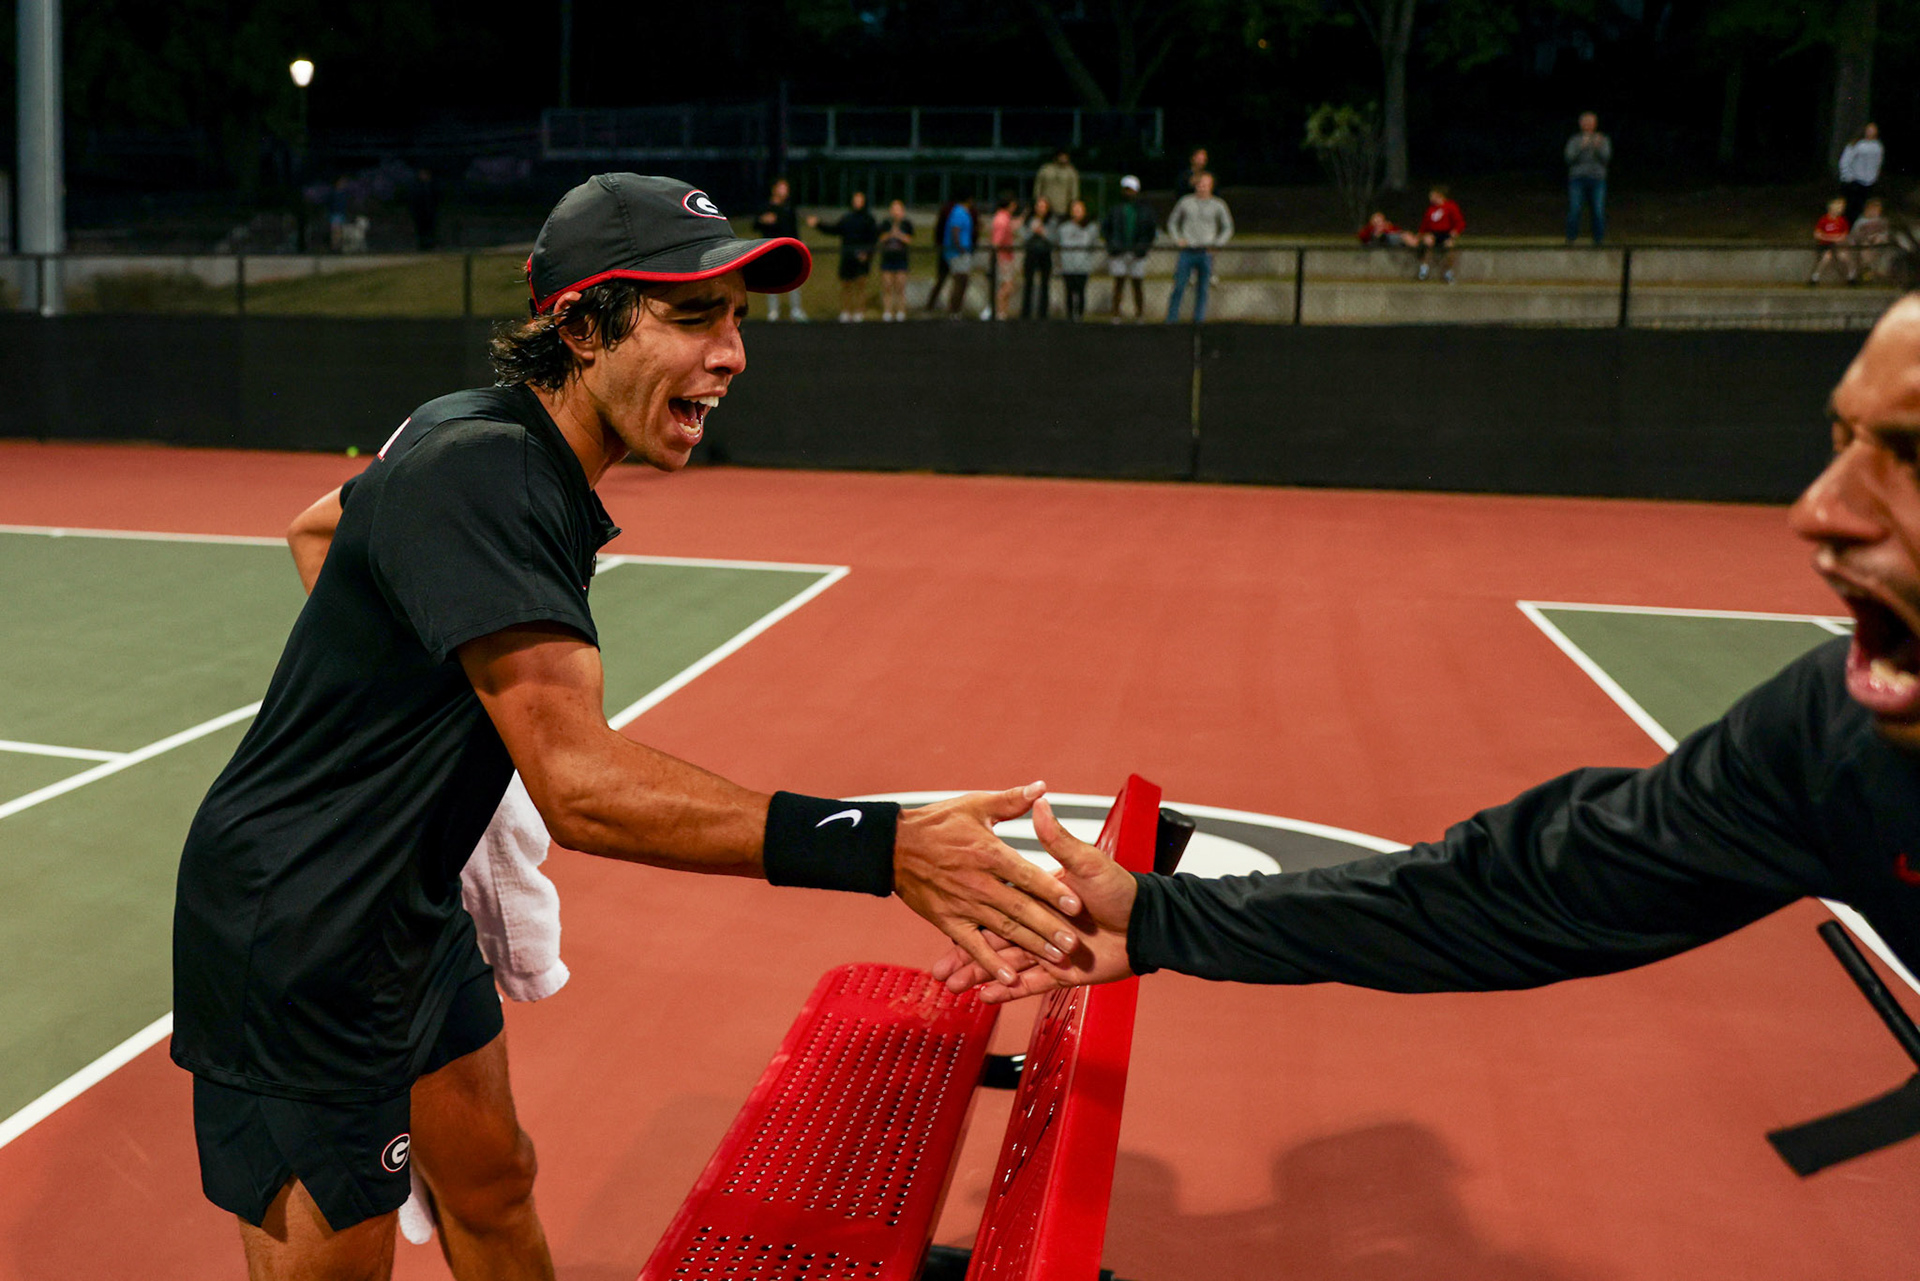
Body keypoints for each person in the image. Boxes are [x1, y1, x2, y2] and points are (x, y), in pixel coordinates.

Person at [171, 173, 1084, 1281]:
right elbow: (581, 783)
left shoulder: (491, 441)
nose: (734, 352)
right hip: (302, 933)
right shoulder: (486, 473)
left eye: (738, 320)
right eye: (694, 316)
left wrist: (419, 721)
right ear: (580, 325)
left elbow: (321, 532)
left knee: (495, 1181)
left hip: (406, 909)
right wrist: (883, 846)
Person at [938, 291, 1920, 1042]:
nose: (1822, 509)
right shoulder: (1828, 737)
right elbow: (1517, 891)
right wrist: (1159, 916)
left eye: (1911, 453)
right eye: (1840, 441)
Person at [1165, 171, 1233, 324]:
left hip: (1206, 252)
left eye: (1206, 185)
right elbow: (1172, 222)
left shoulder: (1218, 205)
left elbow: (1228, 227)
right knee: (1179, 286)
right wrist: (1178, 239)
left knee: (1203, 290)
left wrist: (1218, 244)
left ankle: (1198, 322)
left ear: (1211, 187)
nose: (1202, 187)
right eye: (1200, 184)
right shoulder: (1185, 202)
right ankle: (1171, 320)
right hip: (1187, 250)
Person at [807, 190, 879, 321]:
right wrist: (818, 224)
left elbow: (873, 240)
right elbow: (834, 229)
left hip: (862, 258)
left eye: (860, 199)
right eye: (855, 199)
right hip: (847, 256)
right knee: (846, 285)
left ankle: (859, 312)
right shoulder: (847, 218)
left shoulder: (869, 219)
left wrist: (867, 254)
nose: (857, 202)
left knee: (861, 286)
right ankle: (846, 312)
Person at [1101, 175, 1157, 322]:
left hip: (1137, 252)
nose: (1128, 193)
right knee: (1118, 283)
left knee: (1137, 283)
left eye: (1131, 190)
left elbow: (1151, 230)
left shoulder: (1145, 211)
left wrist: (1144, 246)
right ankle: (1116, 313)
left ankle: (1139, 313)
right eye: (1126, 189)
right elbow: (1106, 228)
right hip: (1118, 251)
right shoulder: (1115, 209)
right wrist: (1112, 244)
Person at [754, 178, 807, 321]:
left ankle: (796, 310)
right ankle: (773, 311)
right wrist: (763, 220)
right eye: (782, 187)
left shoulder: (789, 208)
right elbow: (755, 225)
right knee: (772, 280)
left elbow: (794, 229)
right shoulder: (766, 207)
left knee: (793, 279)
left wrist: (799, 245)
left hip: (788, 250)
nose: (785, 191)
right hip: (770, 250)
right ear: (775, 189)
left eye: (786, 188)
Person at [1564, 111, 1611, 245]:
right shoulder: (1574, 140)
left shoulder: (1603, 139)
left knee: (1598, 210)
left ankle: (1598, 240)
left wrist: (1598, 148)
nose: (1588, 125)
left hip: (1597, 180)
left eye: (1591, 122)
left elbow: (1606, 159)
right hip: (1577, 180)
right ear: (1581, 124)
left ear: (1595, 124)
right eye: (1586, 122)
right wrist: (1581, 147)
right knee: (1575, 209)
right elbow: (1569, 158)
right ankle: (1570, 238)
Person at [1056, 198, 1100, 322]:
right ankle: (1070, 315)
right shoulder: (1063, 228)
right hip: (1067, 265)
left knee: (1080, 291)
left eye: (1079, 209)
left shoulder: (1091, 228)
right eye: (1074, 209)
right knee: (1069, 291)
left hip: (1082, 265)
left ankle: (1080, 315)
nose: (1076, 212)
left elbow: (1094, 244)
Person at [1414, 186, 1465, 283]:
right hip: (1433, 233)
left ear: (1439, 195)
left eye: (1432, 195)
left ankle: (1448, 272)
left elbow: (1460, 222)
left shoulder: (1450, 206)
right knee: (1428, 242)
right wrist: (1421, 234)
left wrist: (1455, 232)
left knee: (1449, 246)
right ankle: (1424, 268)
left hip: (1446, 233)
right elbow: (1425, 224)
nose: (1430, 198)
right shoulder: (1430, 209)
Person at [877, 199, 914, 321]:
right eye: (894, 209)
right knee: (887, 286)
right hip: (887, 259)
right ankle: (888, 310)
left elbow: (909, 240)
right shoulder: (886, 223)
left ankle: (901, 311)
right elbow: (881, 238)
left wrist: (898, 235)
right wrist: (890, 234)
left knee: (900, 286)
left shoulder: (907, 224)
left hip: (901, 259)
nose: (896, 212)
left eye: (898, 209)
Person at [1839, 123, 1885, 224]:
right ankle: (1845, 228)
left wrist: (1875, 176)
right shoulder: (1856, 144)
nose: (1871, 132)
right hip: (1855, 180)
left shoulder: (1878, 145)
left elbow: (1878, 162)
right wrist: (1848, 176)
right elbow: (1845, 161)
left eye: (1873, 130)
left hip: (1869, 181)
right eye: (1869, 130)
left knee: (1862, 207)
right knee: (1851, 208)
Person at [1020, 197, 1056, 320]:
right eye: (1039, 206)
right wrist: (1033, 231)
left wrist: (1044, 232)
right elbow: (1023, 236)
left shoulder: (1051, 221)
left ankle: (1043, 313)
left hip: (1045, 254)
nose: (1041, 209)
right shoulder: (1029, 220)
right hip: (1031, 253)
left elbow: (1054, 239)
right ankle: (1026, 312)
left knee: (1045, 284)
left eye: (1044, 206)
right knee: (1028, 283)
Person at [944, 191, 977, 318]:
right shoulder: (959, 212)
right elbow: (955, 230)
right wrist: (960, 247)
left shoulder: (963, 212)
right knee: (959, 280)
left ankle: (957, 309)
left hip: (963, 250)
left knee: (963, 280)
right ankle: (954, 310)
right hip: (958, 253)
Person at [1848, 196, 1891, 283]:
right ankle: (1867, 271)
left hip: (1880, 246)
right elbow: (1854, 235)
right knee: (1865, 248)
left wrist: (1879, 237)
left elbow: (1886, 234)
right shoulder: (1860, 221)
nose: (1874, 211)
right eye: (1872, 208)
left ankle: (1879, 272)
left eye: (1877, 208)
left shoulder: (1883, 221)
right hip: (1865, 244)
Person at [990, 193, 1019, 321]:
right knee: (1007, 286)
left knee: (1007, 285)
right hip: (1004, 256)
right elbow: (997, 242)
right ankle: (998, 311)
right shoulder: (1002, 219)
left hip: (1006, 256)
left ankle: (1003, 312)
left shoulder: (1004, 218)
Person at [1811, 197, 1852, 286]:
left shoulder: (1842, 221)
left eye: (1841, 207)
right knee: (1826, 257)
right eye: (1838, 207)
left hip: (1838, 245)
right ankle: (1815, 277)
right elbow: (1817, 234)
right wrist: (1831, 238)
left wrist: (1831, 237)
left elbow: (1843, 236)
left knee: (1844, 256)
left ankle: (1850, 276)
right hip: (1825, 245)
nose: (1839, 209)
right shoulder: (1824, 220)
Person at [924, 198, 956, 311]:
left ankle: (933, 304)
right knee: (950, 278)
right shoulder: (954, 211)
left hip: (946, 249)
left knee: (945, 278)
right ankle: (952, 306)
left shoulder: (948, 211)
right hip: (949, 250)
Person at [1033, 149, 1080, 218]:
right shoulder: (1045, 170)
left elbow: (1075, 191)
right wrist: (1038, 201)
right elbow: (1038, 188)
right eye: (1061, 156)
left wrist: (1073, 205)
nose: (1063, 158)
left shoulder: (1071, 172)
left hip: (1063, 208)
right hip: (1046, 209)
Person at [408, 169, 440, 252]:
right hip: (420, 213)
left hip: (430, 212)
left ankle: (430, 245)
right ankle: (422, 246)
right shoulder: (417, 187)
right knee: (421, 230)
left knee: (430, 229)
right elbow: (414, 201)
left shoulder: (432, 186)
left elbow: (436, 199)